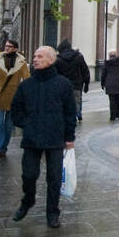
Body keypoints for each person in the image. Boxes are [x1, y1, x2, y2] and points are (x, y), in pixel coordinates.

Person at [10, 45, 76, 227]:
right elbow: (16, 109)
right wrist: (26, 124)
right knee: (29, 175)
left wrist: (69, 137)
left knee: (54, 178)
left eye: (39, 56)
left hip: (56, 138)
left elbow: (71, 113)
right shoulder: (26, 85)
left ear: (51, 60)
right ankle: (28, 200)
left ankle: (52, 213)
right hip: (32, 138)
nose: (35, 59)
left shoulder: (63, 84)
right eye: (34, 56)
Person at [0, 38, 30, 158]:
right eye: (6, 46)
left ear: (15, 49)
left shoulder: (21, 62)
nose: (6, 48)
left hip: (13, 98)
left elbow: (27, 79)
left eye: (9, 46)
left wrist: (25, 96)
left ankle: (3, 147)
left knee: (8, 126)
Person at [55, 38, 90, 124]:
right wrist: (86, 83)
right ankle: (74, 117)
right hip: (76, 85)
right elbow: (85, 70)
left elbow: (55, 74)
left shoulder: (58, 59)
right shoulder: (79, 57)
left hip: (62, 86)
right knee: (76, 102)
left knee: (63, 103)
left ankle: (65, 119)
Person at [101, 50, 119, 121]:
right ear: (116, 55)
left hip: (109, 83)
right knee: (117, 99)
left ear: (109, 56)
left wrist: (102, 84)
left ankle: (112, 115)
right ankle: (118, 114)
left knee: (111, 100)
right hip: (118, 83)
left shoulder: (107, 63)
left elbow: (103, 74)